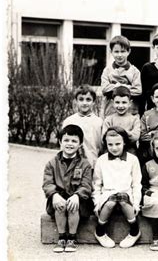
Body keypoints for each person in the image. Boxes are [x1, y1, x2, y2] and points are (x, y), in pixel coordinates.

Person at [42, 124, 92, 253]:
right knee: (60, 203)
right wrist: (53, 195)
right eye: (66, 140)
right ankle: (62, 237)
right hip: (58, 198)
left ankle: (72, 238)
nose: (70, 144)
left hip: (79, 200)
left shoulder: (84, 164)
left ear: (80, 144)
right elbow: (47, 183)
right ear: (60, 142)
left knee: (72, 204)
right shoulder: (52, 163)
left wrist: (77, 195)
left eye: (74, 141)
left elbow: (86, 184)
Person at [93, 127, 142, 249]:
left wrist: (136, 204)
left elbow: (136, 184)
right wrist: (96, 203)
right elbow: (97, 185)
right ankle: (100, 231)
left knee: (122, 198)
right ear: (106, 144)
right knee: (111, 202)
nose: (114, 148)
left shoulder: (133, 159)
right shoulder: (101, 160)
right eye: (110, 144)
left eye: (118, 144)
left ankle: (134, 231)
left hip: (126, 196)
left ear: (124, 142)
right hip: (108, 196)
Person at [100, 35, 142, 117]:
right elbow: (104, 89)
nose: (119, 55)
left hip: (130, 113)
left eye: (122, 51)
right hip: (110, 112)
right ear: (111, 51)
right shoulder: (107, 70)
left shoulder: (135, 71)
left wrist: (116, 87)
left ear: (128, 51)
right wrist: (126, 87)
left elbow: (137, 90)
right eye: (116, 51)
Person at [62, 85, 103, 168]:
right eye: (81, 99)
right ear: (76, 101)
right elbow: (63, 145)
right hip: (72, 164)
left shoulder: (99, 122)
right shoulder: (69, 121)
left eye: (88, 100)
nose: (84, 103)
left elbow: (101, 145)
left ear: (94, 102)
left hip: (93, 163)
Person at [101, 86, 140, 152]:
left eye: (124, 102)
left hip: (129, 150)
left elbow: (135, 136)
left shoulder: (134, 119)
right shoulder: (109, 119)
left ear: (130, 103)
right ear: (113, 102)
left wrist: (116, 133)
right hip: (112, 150)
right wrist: (127, 133)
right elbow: (104, 137)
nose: (120, 106)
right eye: (117, 102)